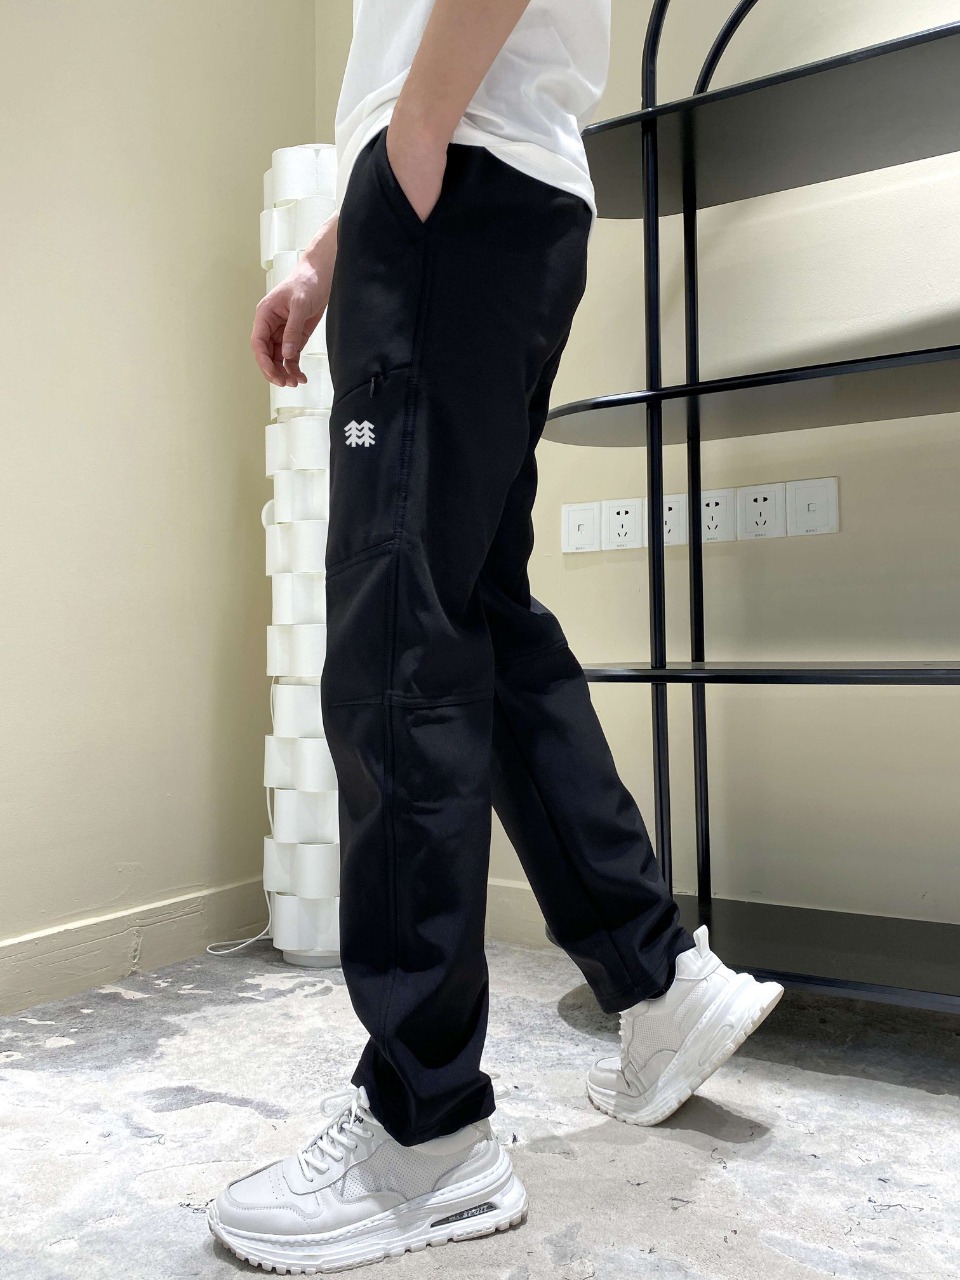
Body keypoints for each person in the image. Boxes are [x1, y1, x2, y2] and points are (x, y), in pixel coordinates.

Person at [208, 0, 783, 1272]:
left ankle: (427, 1131)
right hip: (488, 187)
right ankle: (655, 974)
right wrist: (330, 248)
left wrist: (412, 146)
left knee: (397, 636)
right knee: (473, 611)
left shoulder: (439, 150)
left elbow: (431, 76)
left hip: (452, 181)